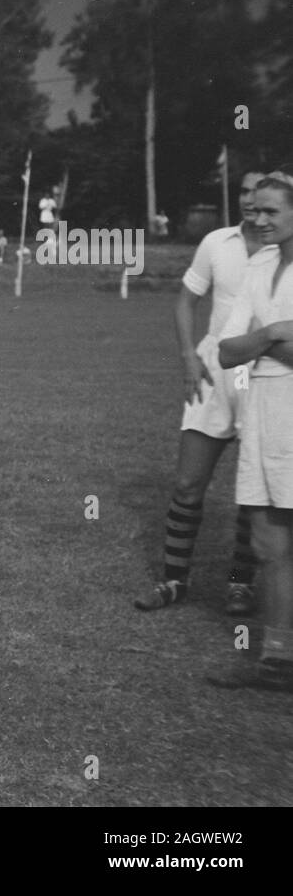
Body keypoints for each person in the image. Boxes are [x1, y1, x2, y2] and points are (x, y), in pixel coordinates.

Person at [134, 171, 271, 614]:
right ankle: (175, 581)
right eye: (246, 192)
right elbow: (185, 300)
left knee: (251, 490)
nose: (251, 201)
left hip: (264, 375)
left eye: (261, 195)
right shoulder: (217, 242)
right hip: (214, 373)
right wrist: (188, 357)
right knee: (189, 483)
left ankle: (239, 583)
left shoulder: (282, 251)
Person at [207, 174, 293, 691]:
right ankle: (277, 660)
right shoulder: (260, 263)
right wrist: (273, 333)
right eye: (255, 210)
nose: (259, 220)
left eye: (272, 212)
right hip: (261, 407)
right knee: (266, 543)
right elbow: (226, 349)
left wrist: (256, 343)